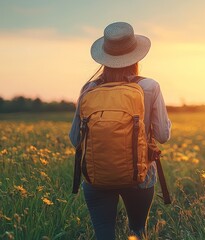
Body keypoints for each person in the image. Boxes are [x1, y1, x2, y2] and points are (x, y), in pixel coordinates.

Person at [69, 22, 171, 239]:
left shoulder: (89, 89)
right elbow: (163, 135)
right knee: (137, 231)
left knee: (104, 233)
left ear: (104, 57)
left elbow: (75, 138)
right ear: (137, 56)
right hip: (140, 175)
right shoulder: (150, 86)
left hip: (96, 177)